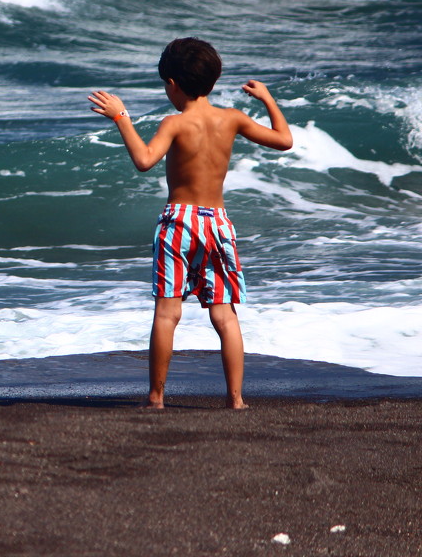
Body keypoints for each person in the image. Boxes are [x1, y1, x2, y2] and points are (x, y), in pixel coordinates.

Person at [88, 37, 292, 409]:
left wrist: (121, 117)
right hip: (217, 223)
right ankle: (236, 400)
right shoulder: (232, 118)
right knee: (224, 314)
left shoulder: (175, 123)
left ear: (172, 84)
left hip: (179, 221)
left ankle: (156, 397)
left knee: (167, 312)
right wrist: (266, 99)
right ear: (212, 83)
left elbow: (145, 160)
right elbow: (284, 140)